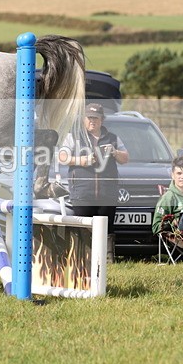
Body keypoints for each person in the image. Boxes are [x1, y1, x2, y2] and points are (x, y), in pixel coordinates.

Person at [58, 103, 129, 263]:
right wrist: (81, 160)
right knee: (83, 229)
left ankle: (107, 259)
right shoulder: (74, 136)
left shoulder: (113, 138)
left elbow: (125, 158)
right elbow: (61, 157)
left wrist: (114, 152)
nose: (92, 121)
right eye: (89, 118)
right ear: (83, 119)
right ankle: (82, 259)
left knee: (107, 229)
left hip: (107, 193)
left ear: (102, 120)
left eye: (96, 118)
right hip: (82, 193)